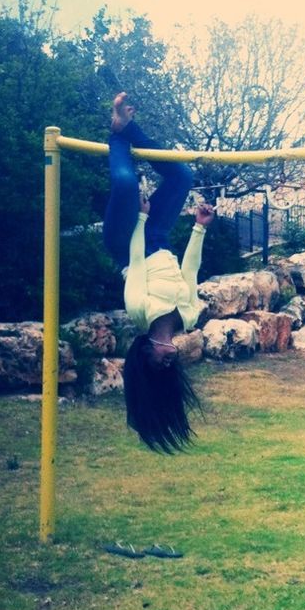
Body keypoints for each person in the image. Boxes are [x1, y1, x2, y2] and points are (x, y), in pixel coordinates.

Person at [103, 93, 213, 452]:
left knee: (125, 183)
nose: (167, 362)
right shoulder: (189, 317)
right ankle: (128, 127)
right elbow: (190, 270)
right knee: (182, 175)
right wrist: (199, 228)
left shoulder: (141, 312)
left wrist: (140, 218)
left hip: (126, 240)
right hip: (160, 237)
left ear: (144, 354)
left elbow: (136, 263)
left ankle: (118, 133)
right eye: (170, 368)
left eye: (157, 366)